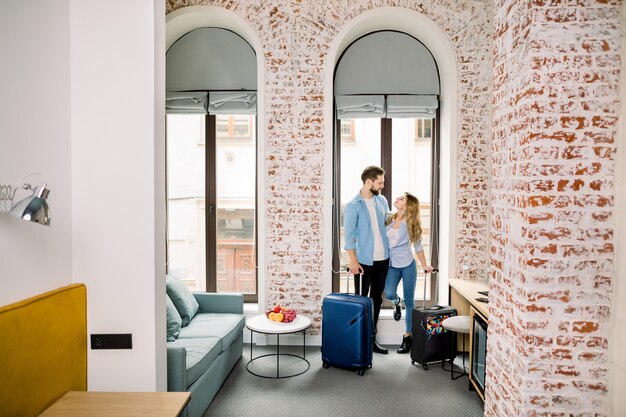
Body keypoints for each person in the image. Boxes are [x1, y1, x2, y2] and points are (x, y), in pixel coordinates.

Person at [344, 165, 390, 354]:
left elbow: (387, 223)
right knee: (361, 301)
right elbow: (348, 237)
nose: (382, 186)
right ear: (369, 182)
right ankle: (359, 340)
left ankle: (371, 339)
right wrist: (353, 261)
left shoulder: (382, 201)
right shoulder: (353, 206)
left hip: (383, 259)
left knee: (377, 300)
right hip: (363, 261)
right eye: (380, 182)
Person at [383, 192, 433, 354]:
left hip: (408, 264)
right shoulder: (389, 218)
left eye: (401, 199)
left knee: (410, 302)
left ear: (407, 205)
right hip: (392, 264)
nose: (396, 199)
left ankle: (407, 337)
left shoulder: (411, 223)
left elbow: (418, 246)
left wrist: (425, 265)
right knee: (389, 293)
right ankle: (397, 303)